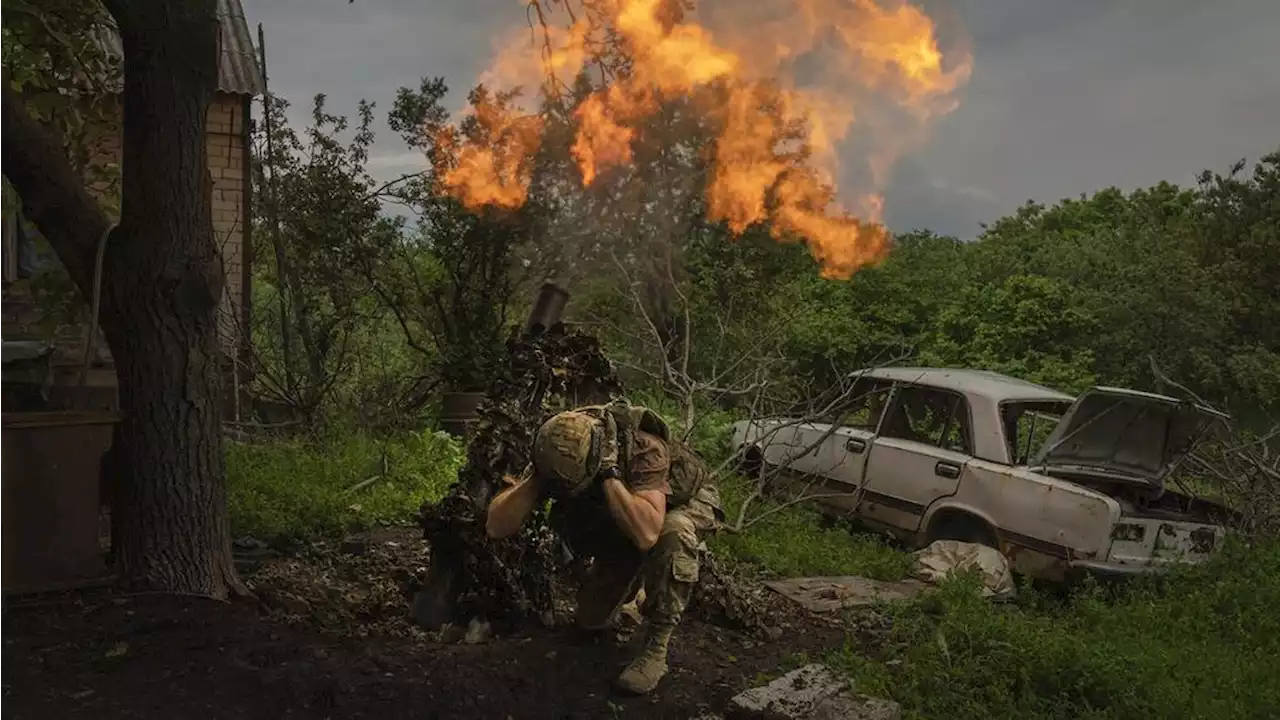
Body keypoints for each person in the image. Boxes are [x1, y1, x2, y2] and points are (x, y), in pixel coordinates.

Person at [484, 404, 721, 696]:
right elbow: (496, 527)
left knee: (673, 533)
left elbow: (647, 533)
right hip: (629, 509)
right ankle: (632, 585)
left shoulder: (644, 447)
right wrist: (535, 480)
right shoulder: (557, 445)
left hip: (680, 502)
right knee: (591, 621)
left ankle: (656, 646)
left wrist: (609, 474)